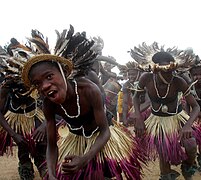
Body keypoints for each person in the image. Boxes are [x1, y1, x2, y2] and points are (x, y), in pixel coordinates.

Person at [22, 26, 146, 180]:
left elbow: (105, 132)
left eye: (49, 77)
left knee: (104, 175)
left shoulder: (89, 90)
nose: (44, 86)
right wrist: (52, 175)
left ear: (63, 72)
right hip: (75, 138)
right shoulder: (48, 104)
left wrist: (85, 158)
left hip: (101, 136)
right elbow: (52, 145)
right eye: (37, 83)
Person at [133, 50, 200, 180]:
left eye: (171, 71)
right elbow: (136, 97)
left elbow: (196, 106)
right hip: (157, 120)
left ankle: (188, 166)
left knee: (191, 146)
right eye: (166, 72)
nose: (170, 75)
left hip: (177, 117)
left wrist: (187, 125)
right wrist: (138, 116)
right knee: (164, 152)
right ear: (156, 70)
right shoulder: (146, 78)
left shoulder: (178, 81)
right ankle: (166, 175)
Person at [0, 40, 47, 180]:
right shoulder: (7, 84)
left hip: (35, 115)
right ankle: (25, 168)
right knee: (23, 148)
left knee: (42, 146)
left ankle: (44, 166)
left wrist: (45, 124)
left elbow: (52, 103)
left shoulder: (36, 78)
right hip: (16, 119)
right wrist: (13, 134)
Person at [120, 61, 150, 127]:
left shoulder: (145, 83)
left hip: (147, 109)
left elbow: (148, 102)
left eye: (133, 74)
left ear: (139, 73)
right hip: (135, 109)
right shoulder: (126, 85)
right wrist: (124, 118)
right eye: (129, 74)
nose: (131, 77)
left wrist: (136, 113)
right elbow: (125, 103)